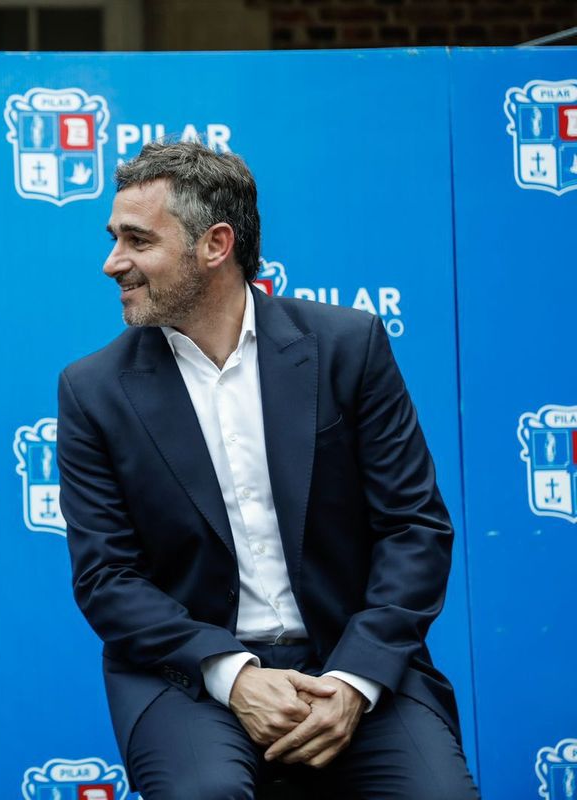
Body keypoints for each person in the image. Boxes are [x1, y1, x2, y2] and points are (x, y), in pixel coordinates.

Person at [57, 141, 478, 799]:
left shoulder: (348, 348)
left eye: (138, 241)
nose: (113, 262)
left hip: (352, 657)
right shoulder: (94, 390)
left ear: (215, 245)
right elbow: (108, 578)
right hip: (188, 676)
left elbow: (414, 529)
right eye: (115, 238)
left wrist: (352, 682)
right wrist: (234, 676)